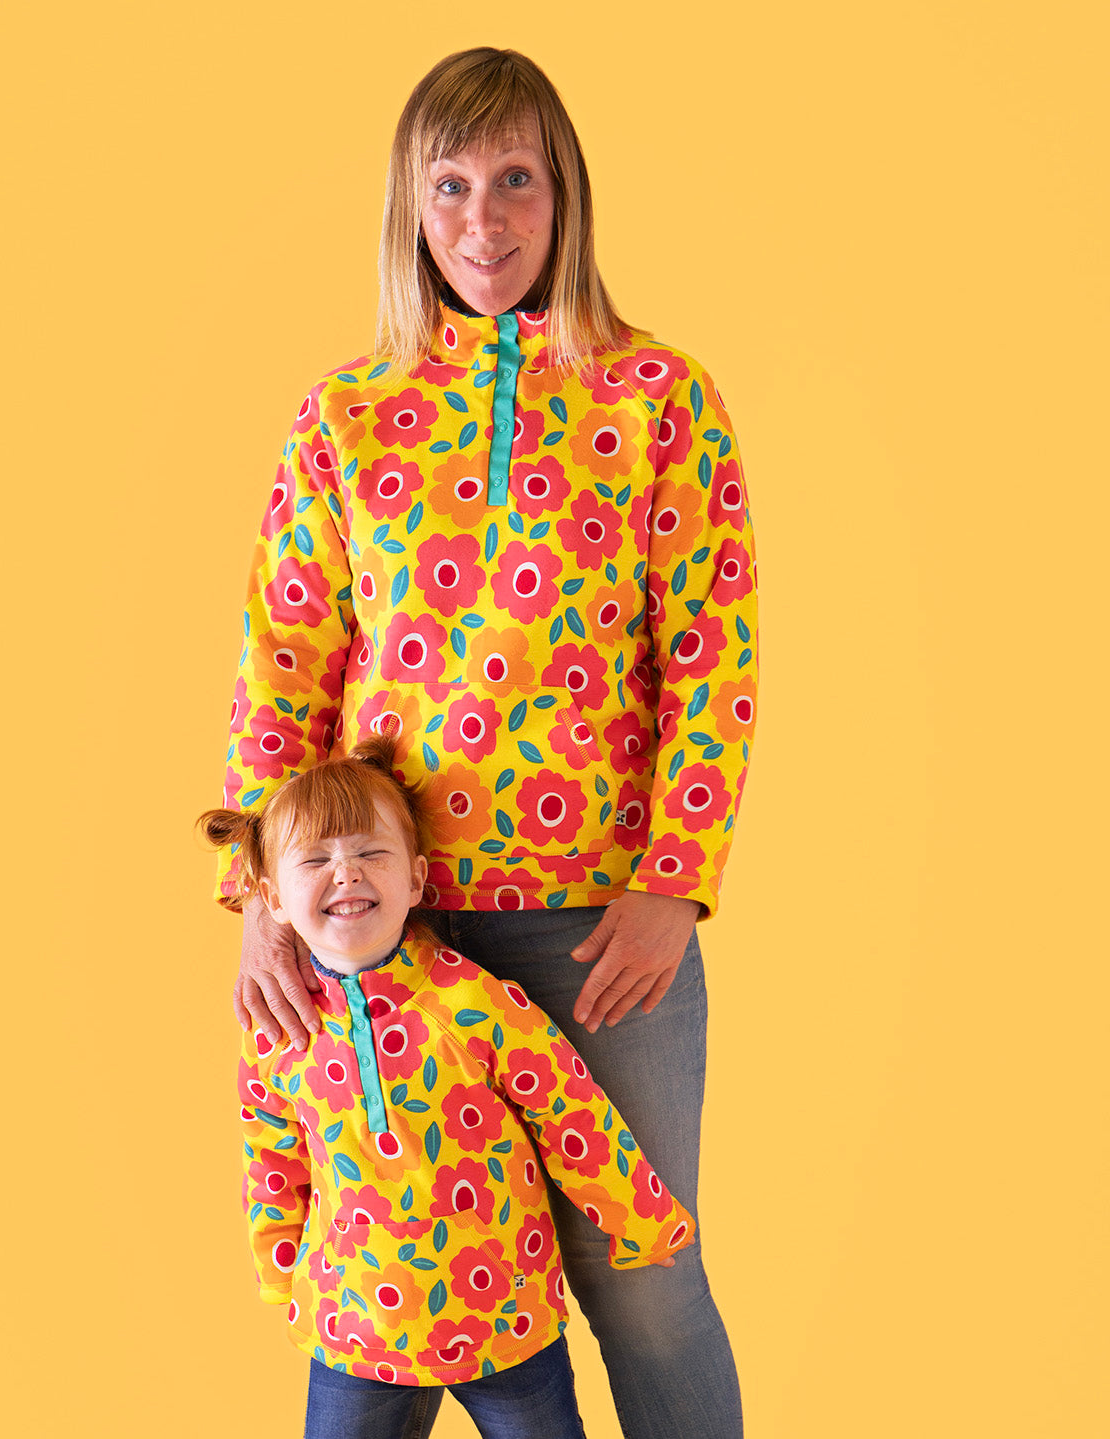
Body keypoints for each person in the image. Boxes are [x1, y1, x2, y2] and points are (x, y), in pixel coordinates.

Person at [216, 46, 757, 1439]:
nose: (484, 220)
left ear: (564, 194)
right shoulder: (343, 420)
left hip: (601, 933)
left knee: (645, 1277)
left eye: (516, 180)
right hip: (389, 924)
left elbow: (711, 653)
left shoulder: (659, 400)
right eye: (450, 186)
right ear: (410, 206)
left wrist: (671, 878)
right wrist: (263, 904)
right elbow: (285, 666)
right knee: (388, 1294)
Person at [200, 735, 694, 1439]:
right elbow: (270, 1157)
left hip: (505, 1318)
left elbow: (569, 1108)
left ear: (416, 878)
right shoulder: (282, 1031)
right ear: (272, 897)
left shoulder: (475, 1001)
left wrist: (640, 1216)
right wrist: (279, 1266)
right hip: (354, 1330)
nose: (346, 873)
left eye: (371, 853)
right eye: (316, 859)